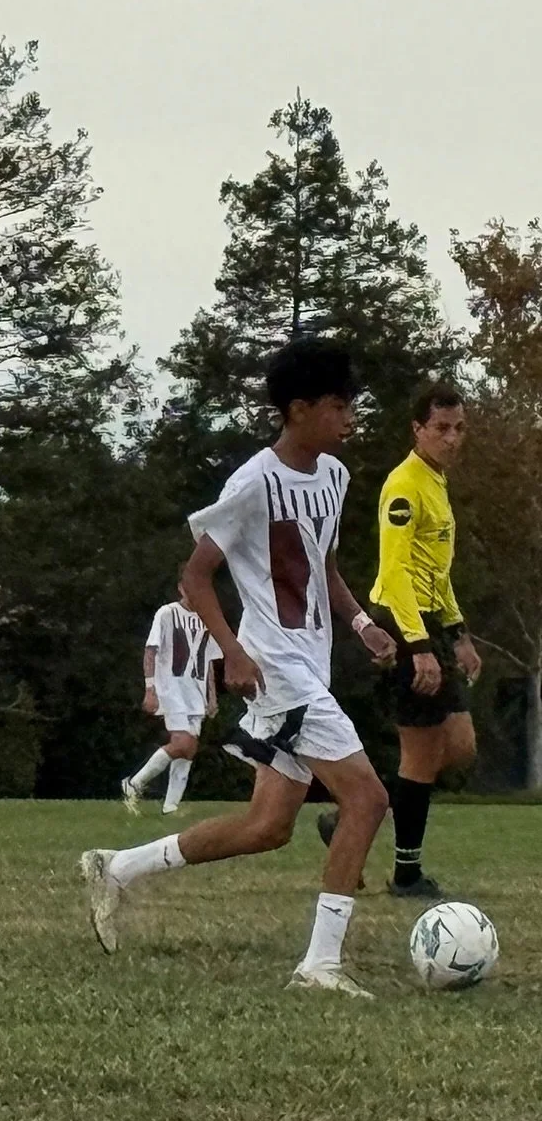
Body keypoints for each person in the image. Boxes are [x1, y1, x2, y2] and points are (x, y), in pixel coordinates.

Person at [81, 338, 397, 997]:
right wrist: (232, 649)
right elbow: (194, 576)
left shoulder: (334, 478)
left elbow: (324, 568)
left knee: (268, 827)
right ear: (300, 408)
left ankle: (116, 867)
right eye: (339, 406)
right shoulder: (255, 479)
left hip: (310, 667)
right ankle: (320, 965)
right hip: (280, 670)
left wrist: (362, 624)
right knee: (367, 798)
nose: (349, 418)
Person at [317, 384, 480, 899]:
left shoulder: (437, 482)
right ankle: (406, 873)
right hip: (406, 623)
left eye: (458, 429)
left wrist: (459, 635)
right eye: (441, 429)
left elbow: (436, 571)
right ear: (417, 429)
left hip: (430, 623)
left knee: (457, 747)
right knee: (422, 750)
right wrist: (420, 645)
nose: (452, 439)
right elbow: (397, 570)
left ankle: (352, 815)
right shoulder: (405, 486)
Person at [121, 571, 221, 816]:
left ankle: (170, 806)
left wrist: (212, 696)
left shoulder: (207, 619)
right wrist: (150, 688)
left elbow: (207, 661)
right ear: (181, 588)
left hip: (195, 693)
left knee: (189, 750)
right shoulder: (167, 613)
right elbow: (151, 651)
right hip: (172, 688)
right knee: (182, 743)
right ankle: (134, 783)